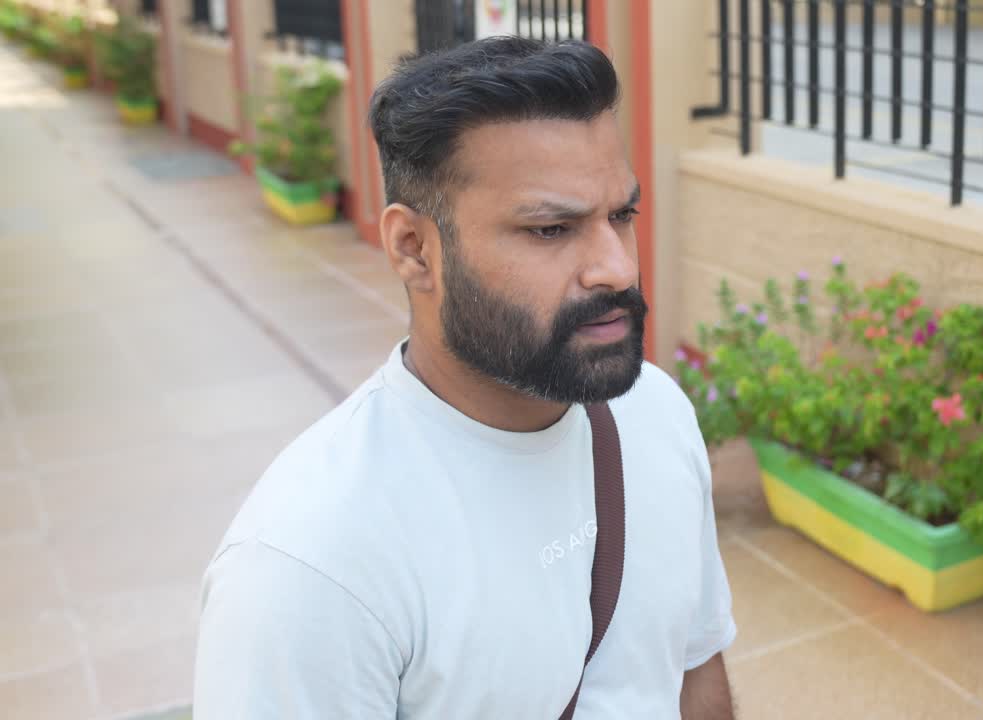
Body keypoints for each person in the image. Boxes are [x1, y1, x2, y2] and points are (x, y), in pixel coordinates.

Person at [192, 36, 738, 718]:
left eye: (620, 216)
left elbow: (692, 666)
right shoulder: (310, 560)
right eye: (550, 229)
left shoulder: (656, 411)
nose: (618, 268)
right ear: (413, 249)